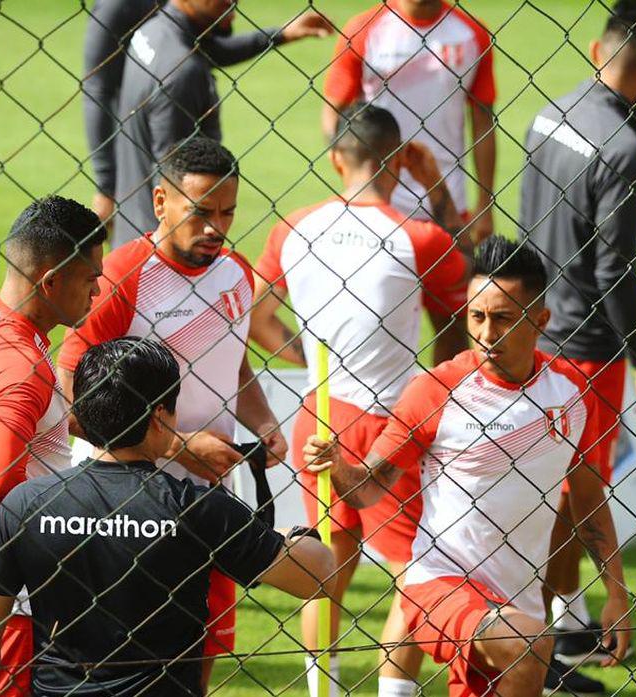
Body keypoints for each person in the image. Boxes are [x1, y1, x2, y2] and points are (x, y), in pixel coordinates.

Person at [305, 236, 632, 697]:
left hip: (515, 602)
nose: (485, 334)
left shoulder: (572, 392)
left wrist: (615, 592)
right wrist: (337, 464)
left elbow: (587, 495)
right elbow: (367, 491)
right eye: (476, 317)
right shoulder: (435, 390)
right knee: (532, 647)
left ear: (540, 321)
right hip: (438, 584)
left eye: (502, 318)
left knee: (524, 649)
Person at [0, 338, 335, 696]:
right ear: (159, 416)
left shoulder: (28, 504)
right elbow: (318, 576)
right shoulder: (197, 509)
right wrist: (288, 534)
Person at [251, 103, 471, 697]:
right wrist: (440, 191)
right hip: (390, 426)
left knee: (326, 567)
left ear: (335, 160)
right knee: (416, 572)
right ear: (399, 160)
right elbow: (471, 289)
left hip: (320, 415)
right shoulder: (419, 236)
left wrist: (309, 353)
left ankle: (322, 689)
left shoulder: (292, 227)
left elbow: (257, 318)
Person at [58, 136, 286, 688]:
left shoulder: (234, 270)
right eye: (201, 212)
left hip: (209, 495)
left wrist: (264, 422)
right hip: (124, 501)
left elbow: (232, 359)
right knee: (124, 658)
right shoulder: (121, 275)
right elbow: (72, 390)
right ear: (161, 202)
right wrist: (181, 446)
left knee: (207, 640)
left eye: (228, 212)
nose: (217, 227)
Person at [518, 0, 636, 679]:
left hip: (532, 327)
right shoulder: (626, 152)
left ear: (594, 48)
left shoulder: (546, 114)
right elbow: (615, 269)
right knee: (579, 491)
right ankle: (543, 638)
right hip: (585, 346)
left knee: (550, 486)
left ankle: (563, 625)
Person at [0, 196, 106, 696]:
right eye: (89, 277)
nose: (98, 288)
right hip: (13, 612)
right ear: (50, 280)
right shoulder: (20, 366)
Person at [84, 0, 332, 235]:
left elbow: (208, 50)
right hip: (161, 251)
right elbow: (176, 185)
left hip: (133, 224)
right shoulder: (182, 73)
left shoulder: (152, 31)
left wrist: (280, 34)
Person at [322, 0, 497, 243]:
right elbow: (333, 109)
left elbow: (483, 122)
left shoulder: (471, 34)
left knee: (452, 277)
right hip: (377, 200)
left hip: (448, 200)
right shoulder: (363, 30)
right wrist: (351, 173)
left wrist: (485, 204)